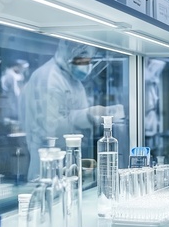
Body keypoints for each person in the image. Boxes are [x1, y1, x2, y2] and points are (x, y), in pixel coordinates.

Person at [19, 40, 106, 181]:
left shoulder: (74, 81)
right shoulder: (49, 78)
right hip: (48, 168)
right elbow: (51, 130)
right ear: (68, 54)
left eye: (89, 61)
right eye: (82, 60)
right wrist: (87, 116)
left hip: (70, 166)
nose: (86, 65)